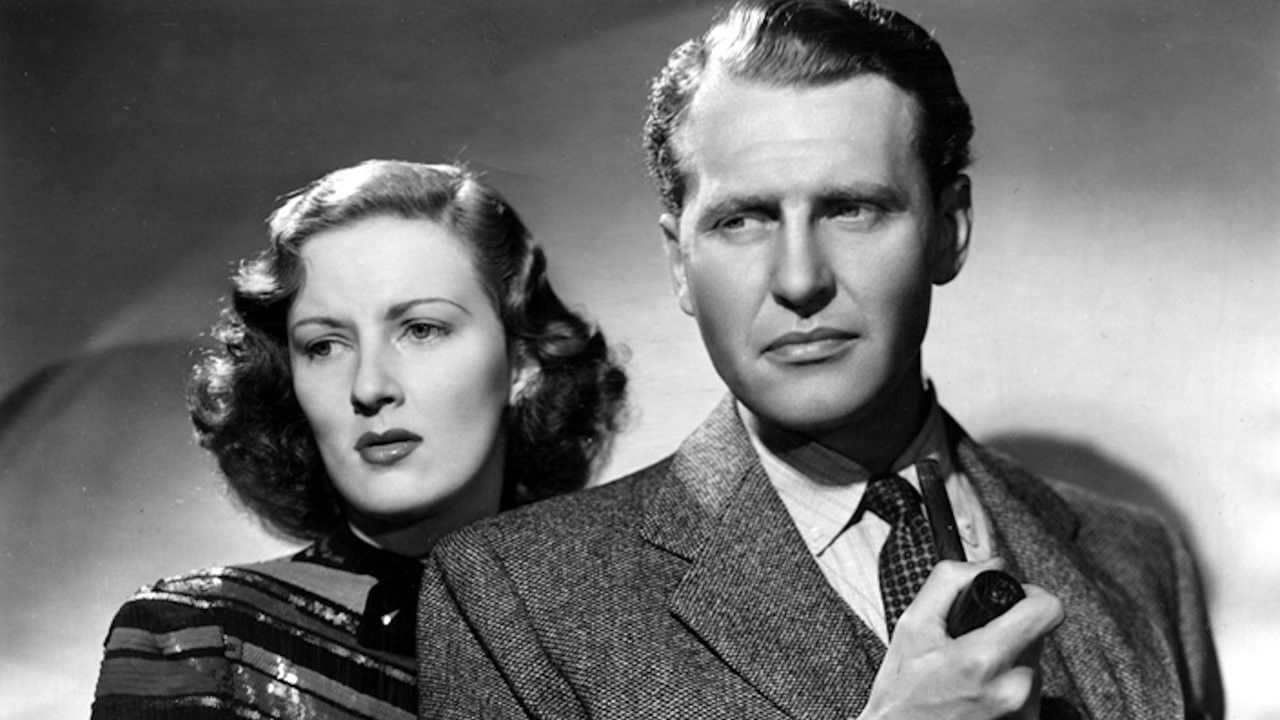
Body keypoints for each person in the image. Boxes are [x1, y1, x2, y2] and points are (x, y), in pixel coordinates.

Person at [417, 2, 1223, 719]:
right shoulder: (515, 596)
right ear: (679, 264)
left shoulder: (1139, 560)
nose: (800, 279)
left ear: (949, 230)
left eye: (852, 208)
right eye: (742, 221)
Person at [89, 160, 627, 719]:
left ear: (523, 363)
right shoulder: (198, 639)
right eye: (324, 346)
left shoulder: (626, 629)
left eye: (421, 330)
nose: (369, 387)